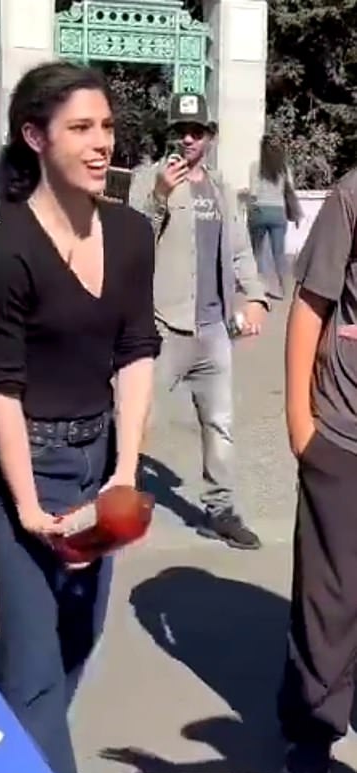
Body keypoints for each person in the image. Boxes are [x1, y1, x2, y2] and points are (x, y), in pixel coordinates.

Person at [0, 61, 160, 773]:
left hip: (99, 459)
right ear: (34, 137)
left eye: (107, 126)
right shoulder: (6, 254)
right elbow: (2, 389)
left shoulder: (133, 232)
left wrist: (127, 468)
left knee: (80, 636)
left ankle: (39, 760)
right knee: (34, 662)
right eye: (81, 127)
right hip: (26, 463)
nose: (101, 141)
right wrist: (24, 507)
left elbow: (138, 348)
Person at [129, 93, 268, 550]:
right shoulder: (148, 179)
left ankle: (221, 512)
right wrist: (159, 197)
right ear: (169, 134)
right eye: (180, 131)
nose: (188, 139)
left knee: (220, 426)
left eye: (197, 131)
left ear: (209, 136)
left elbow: (240, 251)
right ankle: (113, 501)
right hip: (162, 326)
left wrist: (255, 298)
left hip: (213, 332)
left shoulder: (222, 189)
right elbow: (131, 244)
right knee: (134, 417)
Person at [278, 170, 357, 773]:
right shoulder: (354, 194)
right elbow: (310, 306)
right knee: (329, 597)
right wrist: (301, 423)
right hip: (344, 432)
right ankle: (313, 726)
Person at [247, 135, 301, 299]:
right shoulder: (284, 168)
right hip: (279, 213)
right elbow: (290, 190)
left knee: (254, 251)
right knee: (279, 253)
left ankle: (256, 288)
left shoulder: (256, 167)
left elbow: (254, 193)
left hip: (260, 212)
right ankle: (284, 290)